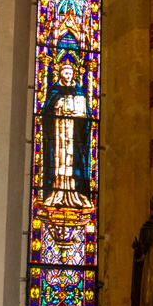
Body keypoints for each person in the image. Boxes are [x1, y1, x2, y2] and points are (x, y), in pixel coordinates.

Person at [43, 58, 92, 208]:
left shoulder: (79, 91)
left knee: (74, 161)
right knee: (59, 162)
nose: (68, 75)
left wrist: (82, 116)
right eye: (65, 72)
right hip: (59, 132)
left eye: (70, 73)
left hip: (74, 134)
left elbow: (88, 116)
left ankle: (75, 193)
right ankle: (57, 192)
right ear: (60, 74)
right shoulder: (54, 91)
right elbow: (46, 113)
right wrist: (57, 106)